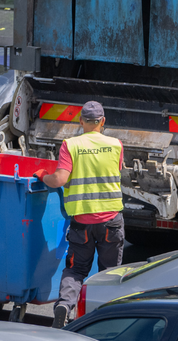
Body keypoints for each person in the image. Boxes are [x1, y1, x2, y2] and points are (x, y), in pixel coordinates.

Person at [34, 100, 124, 328]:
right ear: (103, 121)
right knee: (111, 272)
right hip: (111, 221)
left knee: (76, 268)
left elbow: (60, 180)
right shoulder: (116, 145)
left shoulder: (70, 145)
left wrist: (43, 175)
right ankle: (108, 317)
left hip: (82, 222)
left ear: (81, 121)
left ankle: (64, 305)